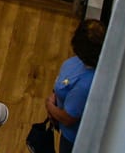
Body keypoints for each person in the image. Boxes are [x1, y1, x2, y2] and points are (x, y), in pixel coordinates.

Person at [47, 19, 106, 153]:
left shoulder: (85, 85)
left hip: (73, 141)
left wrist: (49, 106)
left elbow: (68, 119)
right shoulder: (77, 63)